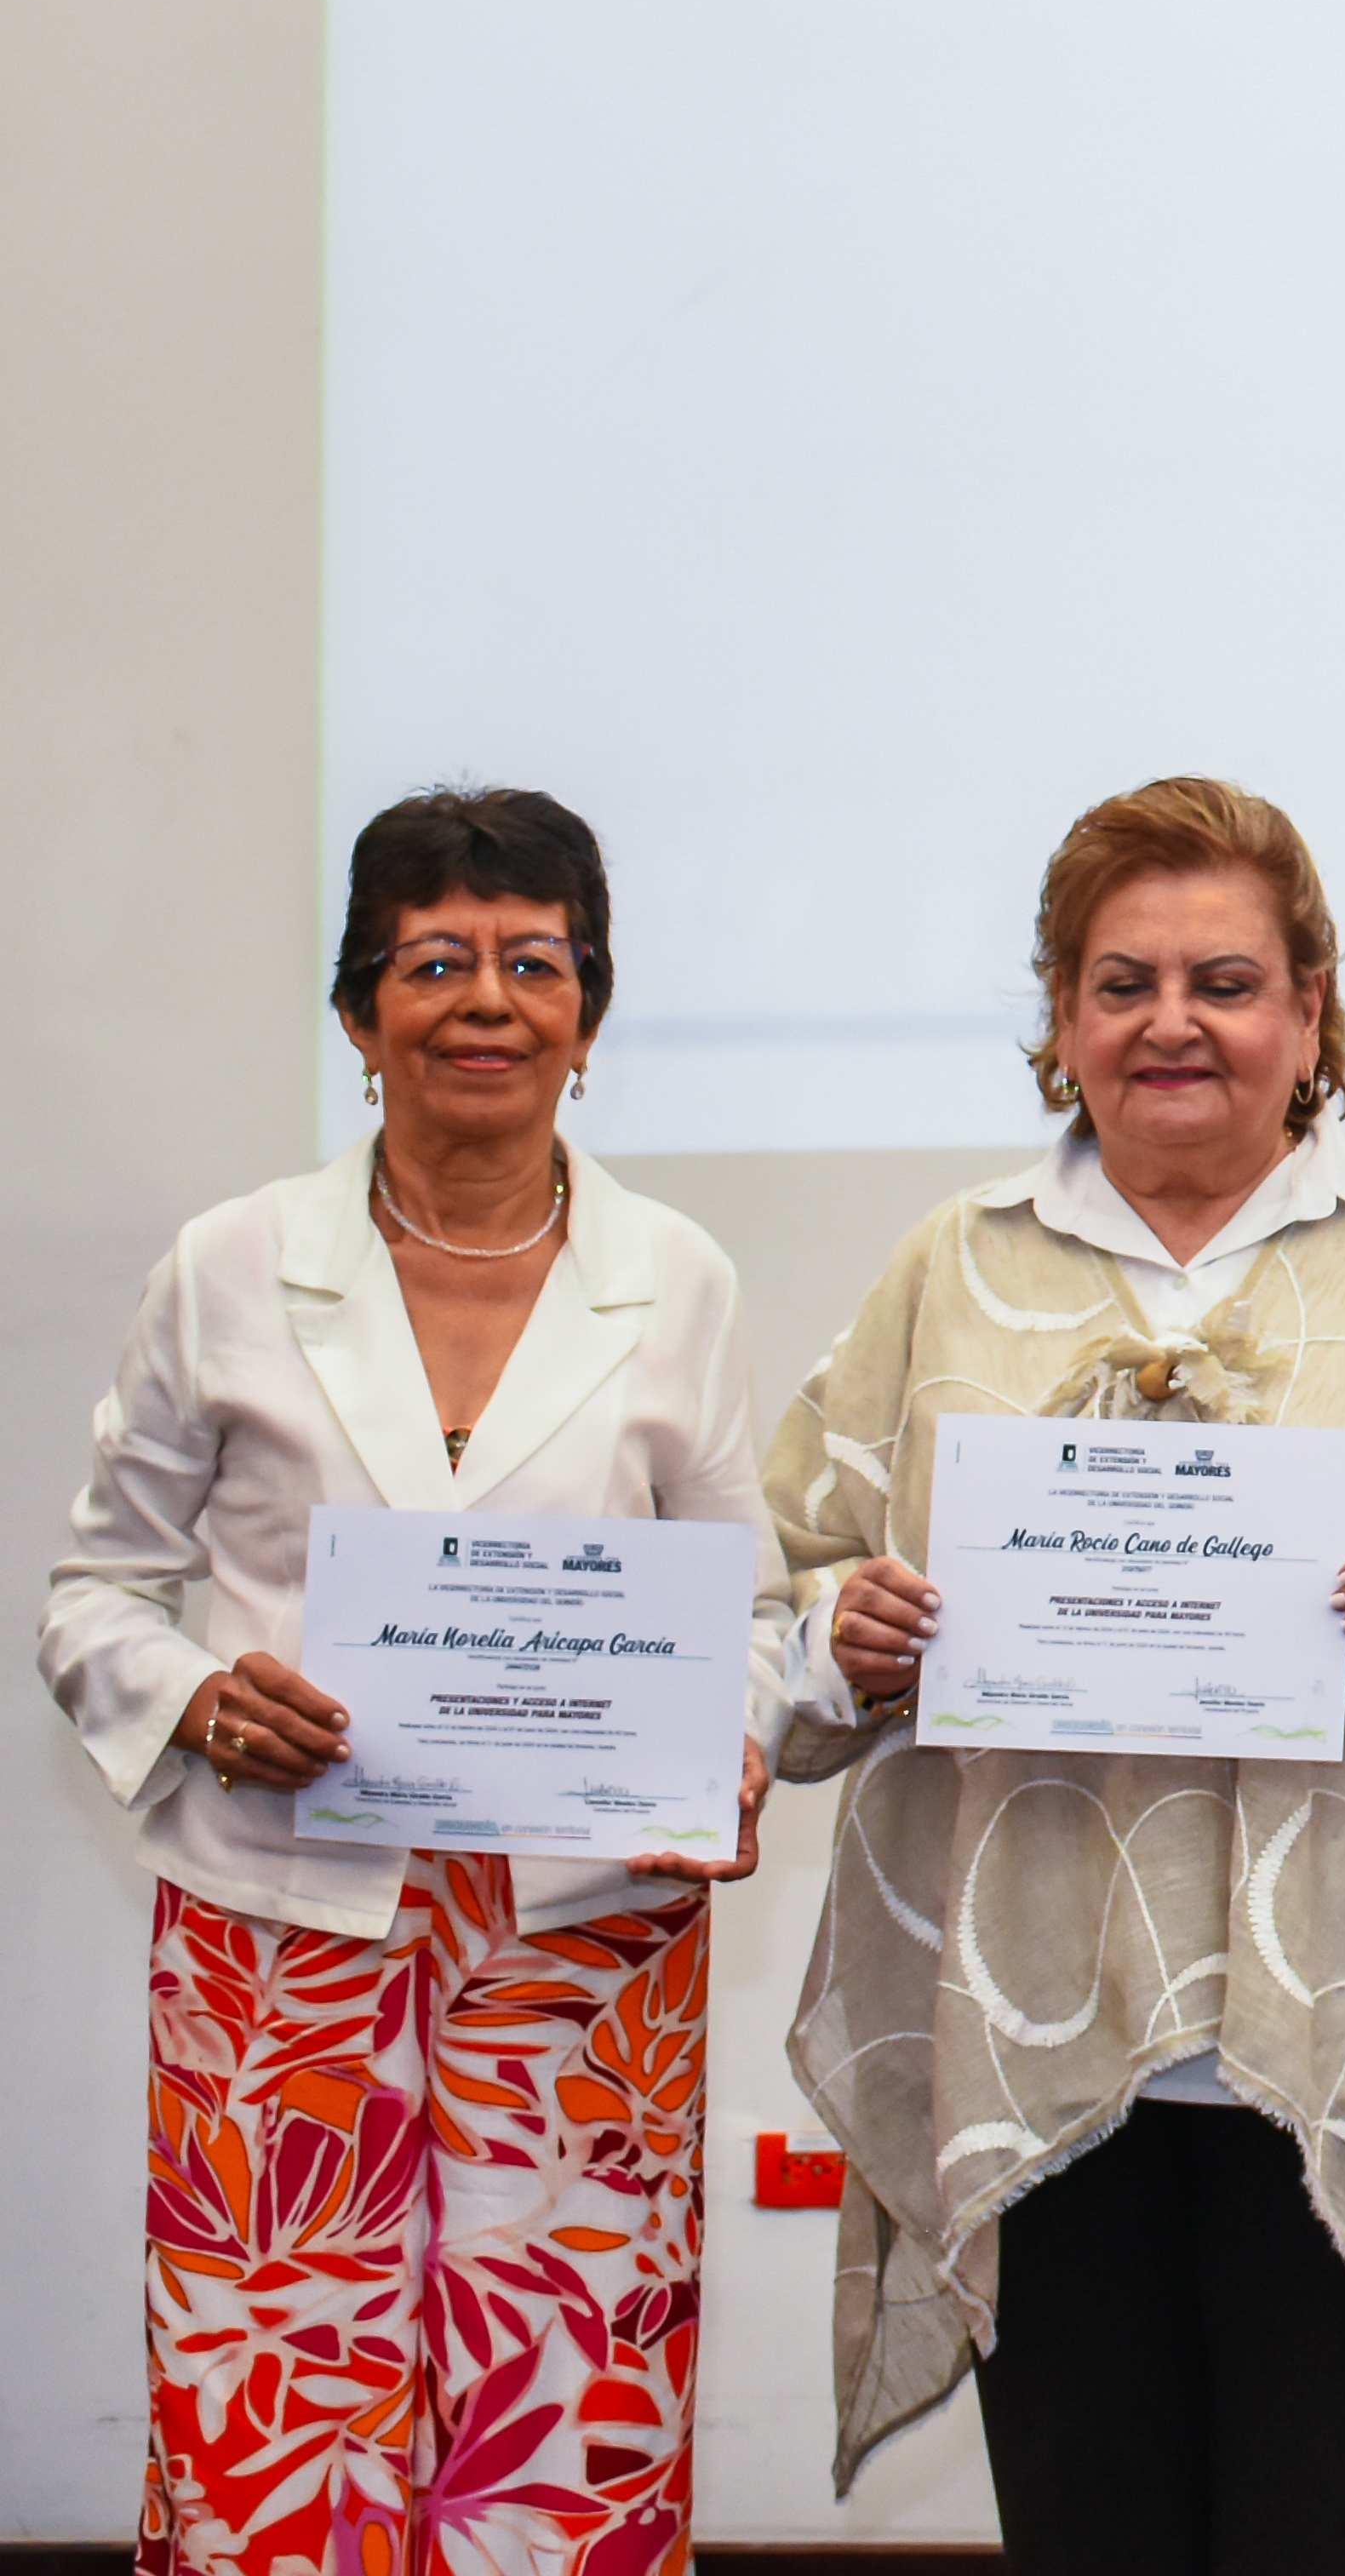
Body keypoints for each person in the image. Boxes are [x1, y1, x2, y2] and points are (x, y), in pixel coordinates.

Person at [758, 776, 1345, 2574]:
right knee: (1091, 2525)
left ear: (1312, 1012)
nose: (1173, 1022)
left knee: (1340, 2528)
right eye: (1122, 979)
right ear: (1061, 1015)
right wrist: (846, 1635)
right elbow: (792, 1579)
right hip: (1037, 2023)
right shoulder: (953, 1268)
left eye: (1225, 980)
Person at [38, 785, 786, 2572]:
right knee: (274, 2424)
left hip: (576, 1954)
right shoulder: (229, 1265)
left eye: (534, 960)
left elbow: (745, 1613)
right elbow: (95, 1594)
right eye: (433, 958)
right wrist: (201, 1695)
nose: (485, 998)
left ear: (588, 1017)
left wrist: (731, 1748)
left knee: (564, 2409)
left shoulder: (674, 1278)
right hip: (277, 1943)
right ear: (361, 1007)